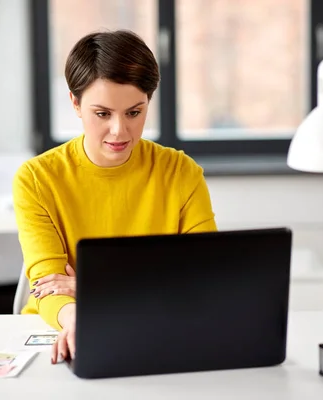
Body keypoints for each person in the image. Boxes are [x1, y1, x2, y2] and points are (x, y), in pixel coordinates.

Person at [12, 29, 217, 364]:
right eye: (102, 114)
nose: (120, 131)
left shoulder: (181, 172)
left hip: (159, 328)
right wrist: (80, 317)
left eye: (134, 113)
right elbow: (48, 287)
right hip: (57, 332)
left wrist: (97, 288)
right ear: (75, 104)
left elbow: (206, 279)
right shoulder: (37, 179)